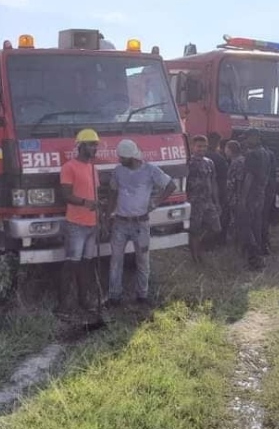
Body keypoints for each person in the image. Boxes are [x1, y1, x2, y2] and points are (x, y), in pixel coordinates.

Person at [106, 139, 176, 306]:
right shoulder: (118, 171)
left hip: (141, 224)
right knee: (116, 261)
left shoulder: (151, 170)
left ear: (132, 157)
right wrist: (108, 214)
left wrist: (156, 202)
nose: (119, 160)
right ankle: (114, 296)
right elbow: (112, 192)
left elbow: (171, 185)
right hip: (120, 223)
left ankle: (142, 296)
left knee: (143, 260)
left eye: (122, 157)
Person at [58, 128, 104, 325]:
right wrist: (86, 203)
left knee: (86, 264)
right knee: (71, 264)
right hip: (76, 224)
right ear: (81, 146)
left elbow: (96, 195)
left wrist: (100, 216)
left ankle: (84, 301)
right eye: (91, 145)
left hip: (92, 224)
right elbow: (66, 195)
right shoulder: (69, 167)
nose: (95, 148)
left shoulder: (93, 169)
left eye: (96, 145)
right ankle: (63, 305)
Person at [232, 130, 270, 271]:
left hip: (251, 195)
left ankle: (255, 258)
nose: (246, 141)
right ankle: (258, 257)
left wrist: (243, 198)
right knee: (256, 226)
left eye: (248, 138)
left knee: (246, 227)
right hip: (260, 194)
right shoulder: (266, 153)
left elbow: (249, 177)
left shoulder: (251, 154)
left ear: (256, 137)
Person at [186, 135, 222, 263]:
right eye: (199, 146)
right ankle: (195, 256)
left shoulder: (209, 162)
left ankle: (199, 246)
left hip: (208, 201)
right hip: (194, 201)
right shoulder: (188, 163)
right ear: (192, 147)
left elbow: (213, 182)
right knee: (194, 230)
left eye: (204, 146)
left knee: (216, 228)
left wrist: (216, 201)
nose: (201, 149)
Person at [206, 132, 230, 246]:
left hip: (203, 192)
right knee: (222, 216)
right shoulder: (219, 158)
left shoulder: (202, 156)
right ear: (217, 143)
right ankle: (219, 241)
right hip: (219, 190)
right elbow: (225, 177)